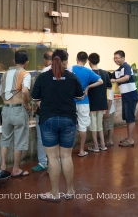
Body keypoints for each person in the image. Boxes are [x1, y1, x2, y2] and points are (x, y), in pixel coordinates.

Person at [31, 49, 84, 202]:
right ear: (66, 61)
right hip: (68, 119)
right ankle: (69, 191)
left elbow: (35, 98)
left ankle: (54, 193)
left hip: (48, 119)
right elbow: (79, 96)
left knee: (52, 158)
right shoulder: (72, 77)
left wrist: (45, 102)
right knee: (66, 156)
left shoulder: (43, 77)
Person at [0, 50, 31, 177]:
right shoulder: (25, 74)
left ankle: (2, 166)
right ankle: (16, 169)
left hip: (5, 109)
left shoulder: (5, 74)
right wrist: (27, 104)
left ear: (14, 61)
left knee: (5, 138)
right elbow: (24, 91)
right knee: (19, 140)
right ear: (26, 62)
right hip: (18, 109)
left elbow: (1, 93)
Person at [70, 52, 103, 157]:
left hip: (71, 101)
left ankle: (68, 152)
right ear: (86, 61)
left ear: (76, 58)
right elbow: (100, 81)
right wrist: (88, 87)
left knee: (70, 126)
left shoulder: (70, 69)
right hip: (84, 102)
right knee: (82, 127)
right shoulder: (89, 71)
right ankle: (81, 150)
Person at [111, 50, 138, 147]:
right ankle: (129, 138)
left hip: (131, 95)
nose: (115, 59)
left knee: (130, 118)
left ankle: (131, 140)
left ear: (123, 58)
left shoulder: (127, 67)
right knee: (127, 118)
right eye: (114, 58)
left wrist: (114, 80)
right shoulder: (118, 70)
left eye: (117, 58)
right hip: (125, 96)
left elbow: (127, 77)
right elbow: (109, 76)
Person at [32, 51, 53, 172]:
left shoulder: (43, 73)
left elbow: (36, 96)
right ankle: (53, 163)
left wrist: (40, 105)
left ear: (45, 60)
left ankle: (44, 162)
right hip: (53, 112)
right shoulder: (67, 73)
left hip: (45, 112)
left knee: (42, 138)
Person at [87, 53, 111, 152]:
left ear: (89, 62)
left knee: (93, 126)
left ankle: (96, 146)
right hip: (102, 103)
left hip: (92, 103)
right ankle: (103, 145)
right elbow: (109, 87)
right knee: (100, 125)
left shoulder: (88, 73)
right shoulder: (105, 73)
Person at [103, 72, 116, 147]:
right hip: (107, 109)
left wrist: (107, 111)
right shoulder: (106, 87)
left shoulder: (109, 89)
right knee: (107, 125)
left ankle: (110, 140)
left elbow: (110, 101)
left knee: (110, 125)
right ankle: (108, 139)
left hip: (109, 110)